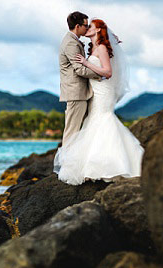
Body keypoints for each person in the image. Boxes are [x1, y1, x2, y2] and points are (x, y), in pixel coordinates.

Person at [53, 18, 144, 185]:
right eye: (86, 26)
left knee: (103, 120)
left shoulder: (101, 48)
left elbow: (107, 72)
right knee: (94, 122)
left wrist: (87, 63)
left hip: (103, 90)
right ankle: (90, 166)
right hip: (95, 90)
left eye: (91, 26)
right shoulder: (94, 46)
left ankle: (110, 166)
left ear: (98, 30)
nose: (87, 28)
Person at [58, 12, 100, 144]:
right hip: (76, 93)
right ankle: (66, 163)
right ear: (77, 26)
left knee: (77, 131)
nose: (87, 29)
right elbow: (80, 70)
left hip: (79, 93)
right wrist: (100, 74)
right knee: (72, 132)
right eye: (85, 26)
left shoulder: (72, 40)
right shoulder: (71, 43)